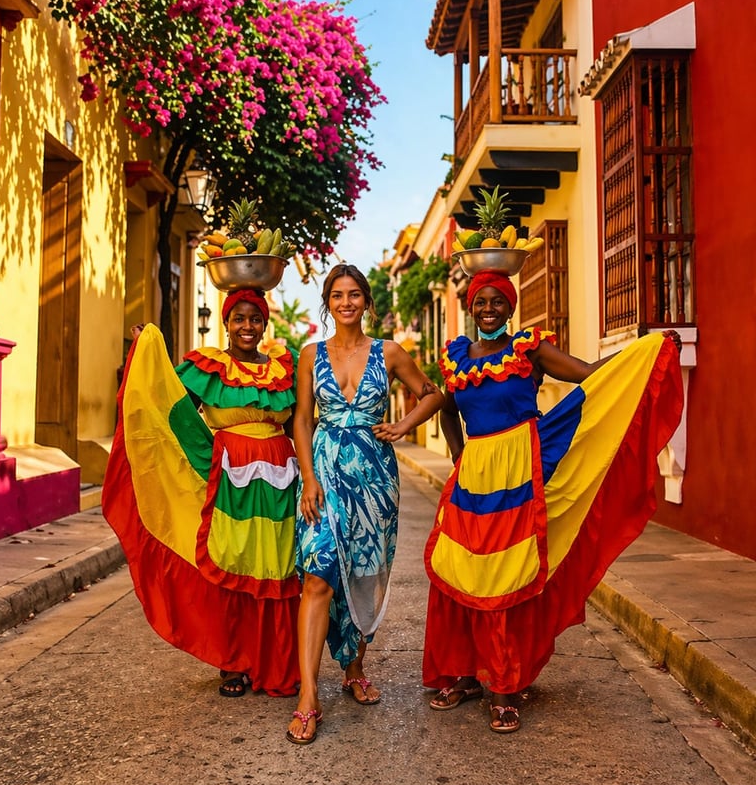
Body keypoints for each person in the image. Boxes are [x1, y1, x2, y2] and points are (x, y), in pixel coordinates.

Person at [422, 269, 683, 734]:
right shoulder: (456, 356)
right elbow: (447, 407)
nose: (487, 310)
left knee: (505, 571)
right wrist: (460, 456)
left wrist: (640, 354)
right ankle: (464, 674)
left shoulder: (529, 349)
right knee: (458, 569)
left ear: (510, 306)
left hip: (520, 472)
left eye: (496, 302)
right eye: (480, 302)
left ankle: (503, 686)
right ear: (469, 306)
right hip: (473, 476)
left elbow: (587, 376)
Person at [102, 288, 301, 699]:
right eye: (239, 319)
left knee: (280, 567)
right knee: (233, 562)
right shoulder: (209, 366)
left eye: (255, 319)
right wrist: (146, 354)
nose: (247, 327)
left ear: (265, 324)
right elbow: (169, 405)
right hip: (229, 482)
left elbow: (303, 420)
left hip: (282, 478)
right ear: (227, 324)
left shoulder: (286, 367)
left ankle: (276, 662)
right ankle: (233, 663)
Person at [286, 264, 445, 744]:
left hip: (376, 481)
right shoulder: (311, 354)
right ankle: (309, 696)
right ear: (327, 303)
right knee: (318, 574)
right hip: (325, 475)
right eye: (337, 295)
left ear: (367, 301)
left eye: (355, 294)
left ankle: (354, 668)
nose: (346, 302)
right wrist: (308, 478)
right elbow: (301, 420)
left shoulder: (389, 352)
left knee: (362, 574)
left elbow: (432, 394)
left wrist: (403, 426)